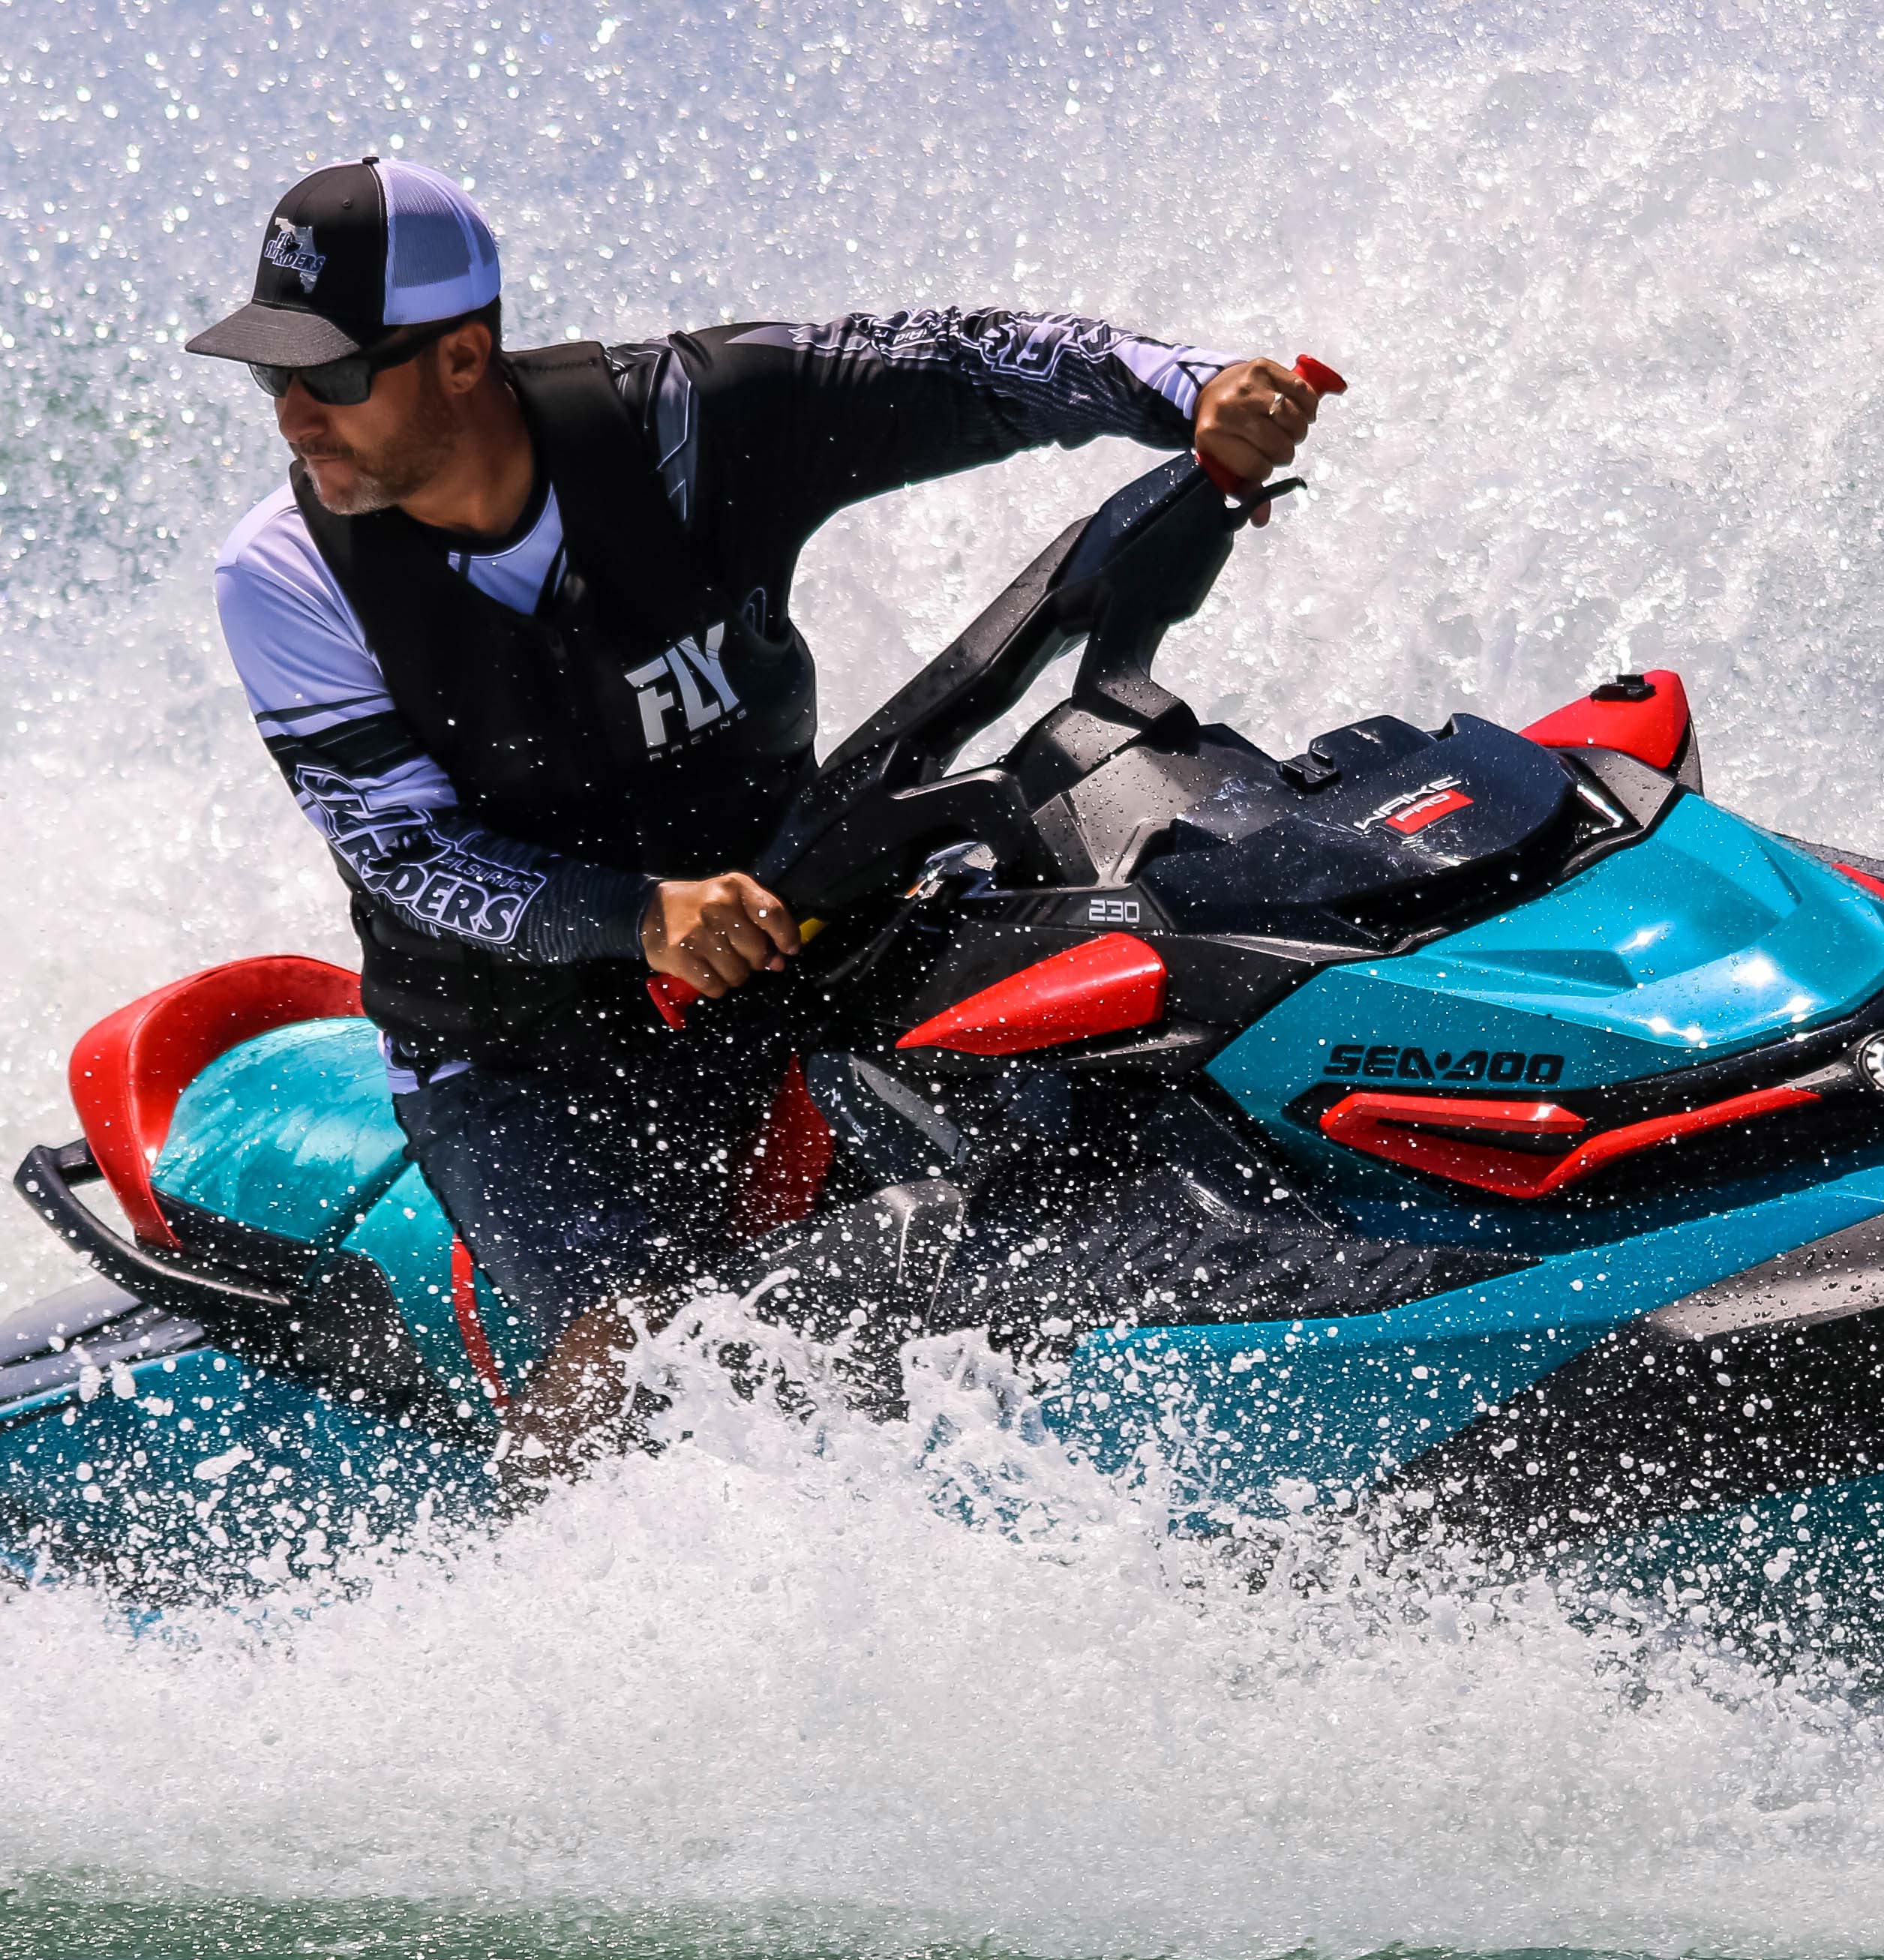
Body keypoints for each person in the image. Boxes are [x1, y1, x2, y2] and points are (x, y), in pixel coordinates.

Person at [187, 156, 1319, 1455]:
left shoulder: (681, 424)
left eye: (328, 378)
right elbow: (399, 853)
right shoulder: (284, 574)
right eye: (272, 377)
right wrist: (637, 916)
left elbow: (964, 360)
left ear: (460, 357)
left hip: (806, 942)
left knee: (1116, 1086)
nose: (294, 421)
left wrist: (1191, 388)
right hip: (516, 1058)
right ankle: (555, 1594)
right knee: (641, 1375)